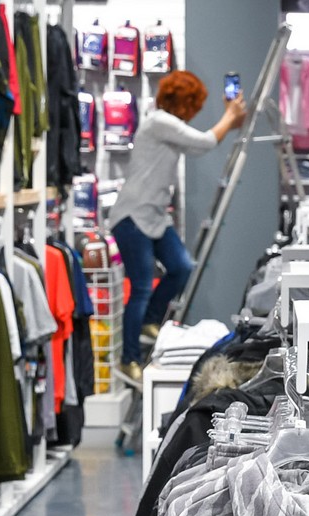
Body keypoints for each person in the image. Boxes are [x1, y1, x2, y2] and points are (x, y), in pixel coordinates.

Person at [108, 70, 246, 384]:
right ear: (185, 102)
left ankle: (150, 321)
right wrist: (229, 116)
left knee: (181, 267)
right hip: (132, 217)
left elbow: (199, 145)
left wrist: (230, 120)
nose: (195, 112)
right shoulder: (159, 122)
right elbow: (205, 141)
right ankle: (128, 359)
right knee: (141, 287)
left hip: (155, 217)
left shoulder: (167, 127)